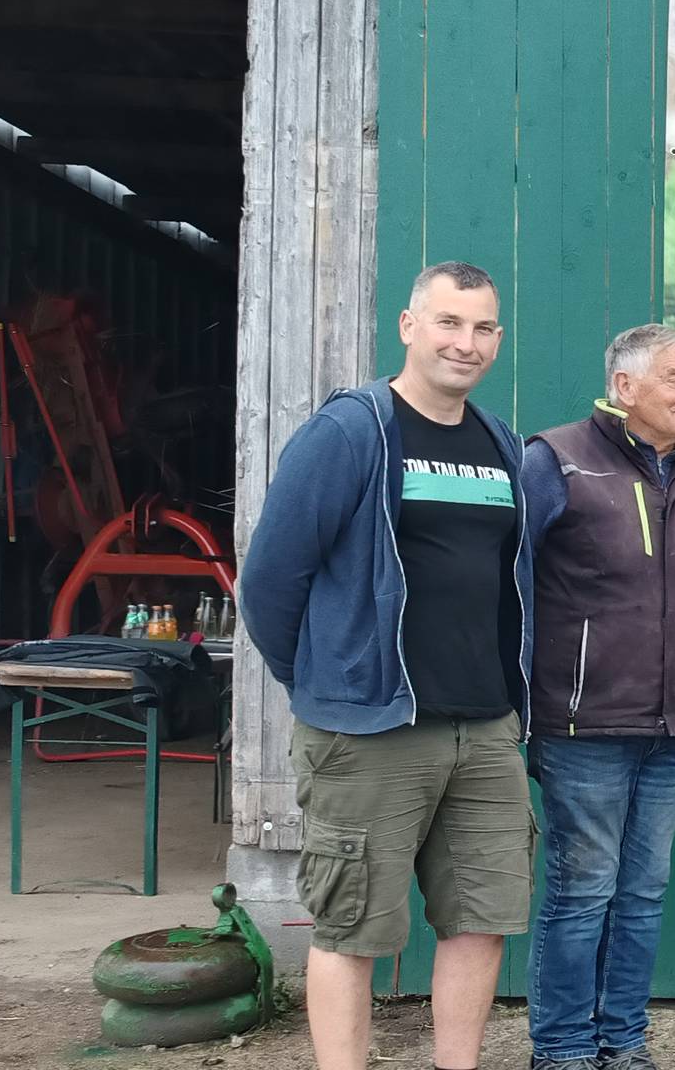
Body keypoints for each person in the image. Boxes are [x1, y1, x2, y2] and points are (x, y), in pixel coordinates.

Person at [240, 262, 537, 1070]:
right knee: (353, 930)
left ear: (497, 339)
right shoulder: (351, 432)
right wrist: (328, 681)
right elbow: (269, 583)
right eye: (448, 323)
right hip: (372, 730)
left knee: (481, 921)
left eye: (482, 328)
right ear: (409, 327)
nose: (465, 343)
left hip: (484, 729)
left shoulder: (500, 443)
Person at [520, 325, 675, 1070]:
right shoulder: (557, 461)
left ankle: (624, 1043)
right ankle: (562, 1050)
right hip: (584, 728)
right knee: (583, 891)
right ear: (625, 387)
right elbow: (507, 585)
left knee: (643, 894)